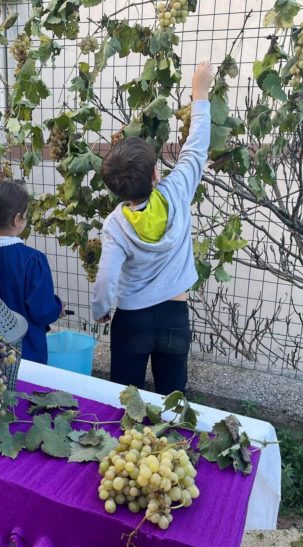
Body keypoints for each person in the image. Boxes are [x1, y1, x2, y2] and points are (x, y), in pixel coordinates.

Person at [91, 61, 215, 395]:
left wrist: (101, 310)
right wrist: (200, 93)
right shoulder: (177, 191)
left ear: (114, 189)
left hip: (132, 319)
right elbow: (196, 146)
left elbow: (106, 276)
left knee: (124, 399)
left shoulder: (116, 224)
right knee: (172, 401)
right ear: (156, 174)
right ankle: (170, 431)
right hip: (175, 315)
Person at [0, 179, 63, 364]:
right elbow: (42, 311)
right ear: (17, 219)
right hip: (24, 353)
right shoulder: (32, 260)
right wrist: (58, 307)